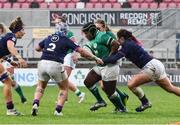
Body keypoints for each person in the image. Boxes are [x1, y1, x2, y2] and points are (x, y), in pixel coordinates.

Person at [102, 29, 180, 112]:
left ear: (121, 38)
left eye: (118, 39)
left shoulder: (127, 45)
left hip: (151, 67)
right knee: (170, 88)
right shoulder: (130, 42)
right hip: (156, 64)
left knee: (131, 84)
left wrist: (103, 60)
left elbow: (114, 58)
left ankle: (145, 102)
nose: (118, 41)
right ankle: (145, 102)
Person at [31, 30, 103, 116]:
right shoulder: (66, 40)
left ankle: (35, 103)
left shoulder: (48, 38)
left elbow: (37, 48)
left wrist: (47, 50)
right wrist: (95, 58)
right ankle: (58, 110)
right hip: (55, 64)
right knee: (64, 88)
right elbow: (82, 51)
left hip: (42, 63)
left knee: (41, 86)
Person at [82, 22, 127, 112]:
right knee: (88, 81)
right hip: (101, 65)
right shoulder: (92, 40)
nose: (85, 35)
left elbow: (116, 44)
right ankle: (100, 101)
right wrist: (85, 54)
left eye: (86, 33)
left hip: (111, 65)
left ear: (92, 31)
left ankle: (122, 108)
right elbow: (88, 51)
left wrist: (109, 57)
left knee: (109, 91)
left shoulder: (101, 36)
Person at [95, 19, 129, 107]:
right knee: (104, 86)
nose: (97, 30)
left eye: (98, 27)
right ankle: (122, 97)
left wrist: (110, 57)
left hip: (112, 61)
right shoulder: (100, 35)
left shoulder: (109, 34)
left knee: (104, 86)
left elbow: (117, 45)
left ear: (103, 26)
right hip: (105, 61)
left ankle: (121, 104)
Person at [52, 14, 85, 103]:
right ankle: (78, 94)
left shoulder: (68, 32)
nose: (56, 23)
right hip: (63, 57)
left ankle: (65, 98)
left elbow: (75, 43)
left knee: (63, 79)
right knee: (63, 79)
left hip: (69, 56)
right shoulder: (57, 32)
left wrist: (75, 54)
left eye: (58, 22)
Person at [0, 17, 27, 115]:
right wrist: (19, 58)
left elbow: (2, 50)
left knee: (9, 81)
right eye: (23, 30)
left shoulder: (9, 35)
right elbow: (10, 47)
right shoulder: (12, 37)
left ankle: (10, 109)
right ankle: (10, 109)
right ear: (18, 31)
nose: (24, 33)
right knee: (8, 81)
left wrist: (10, 61)